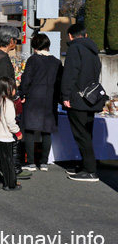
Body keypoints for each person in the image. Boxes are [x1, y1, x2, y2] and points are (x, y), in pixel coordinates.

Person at [0, 25, 31, 180]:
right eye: (15, 40)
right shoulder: (3, 60)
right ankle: (12, 168)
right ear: (11, 40)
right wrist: (16, 98)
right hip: (3, 103)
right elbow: (5, 85)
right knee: (10, 136)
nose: (16, 43)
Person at [61, 24, 104, 182]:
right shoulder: (93, 50)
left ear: (71, 36)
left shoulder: (74, 49)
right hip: (91, 98)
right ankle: (85, 165)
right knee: (87, 133)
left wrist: (65, 95)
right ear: (85, 35)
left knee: (81, 135)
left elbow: (70, 74)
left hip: (78, 98)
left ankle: (90, 170)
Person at [18, 33, 63, 172]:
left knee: (30, 130)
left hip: (34, 97)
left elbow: (27, 79)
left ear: (35, 46)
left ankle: (30, 162)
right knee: (46, 131)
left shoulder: (33, 60)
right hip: (50, 98)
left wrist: (22, 92)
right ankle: (43, 163)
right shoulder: (56, 62)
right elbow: (60, 81)